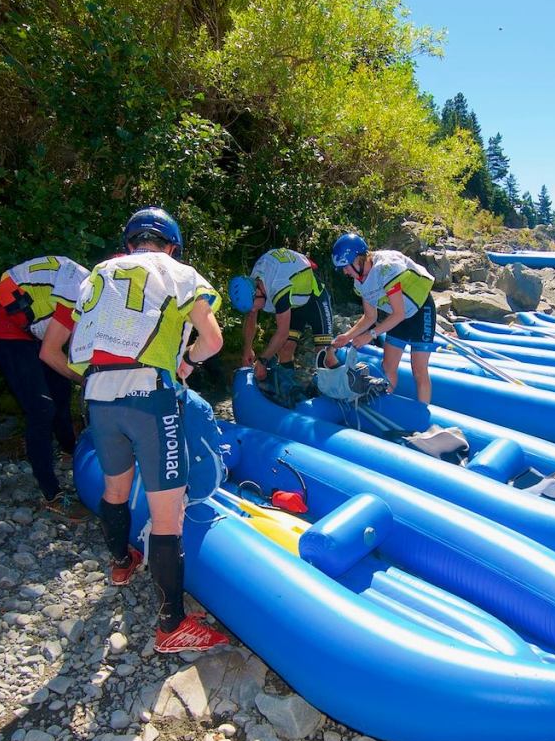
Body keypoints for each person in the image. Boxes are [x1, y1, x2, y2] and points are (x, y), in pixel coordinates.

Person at [68, 206, 229, 653]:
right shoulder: (178, 272)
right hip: (149, 397)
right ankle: (171, 624)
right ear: (171, 246)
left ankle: (121, 563)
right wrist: (188, 363)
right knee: (167, 515)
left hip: (98, 395)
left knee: (115, 489)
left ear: (128, 245)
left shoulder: (97, 274)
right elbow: (212, 340)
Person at [0, 255, 91, 521]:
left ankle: (69, 452)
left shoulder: (90, 287)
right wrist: (89, 381)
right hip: (6, 337)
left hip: (35, 334)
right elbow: (50, 354)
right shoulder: (77, 295)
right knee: (42, 408)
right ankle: (52, 496)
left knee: (62, 392)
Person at [328, 233, 438, 403]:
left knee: (418, 370)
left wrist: (370, 335)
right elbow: (370, 316)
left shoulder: (385, 269)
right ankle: (387, 404)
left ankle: (421, 415)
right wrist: (347, 336)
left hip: (421, 311)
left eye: (345, 266)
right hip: (398, 316)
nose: (344, 271)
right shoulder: (360, 281)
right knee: (388, 366)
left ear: (358, 259)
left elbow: (398, 314)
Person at [229, 248, 335, 380]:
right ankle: (288, 389)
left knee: (325, 357)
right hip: (293, 300)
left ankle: (344, 387)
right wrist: (247, 349)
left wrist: (263, 361)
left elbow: (282, 333)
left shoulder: (276, 286)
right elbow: (251, 317)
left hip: (314, 297)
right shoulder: (252, 281)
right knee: (285, 349)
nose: (253, 310)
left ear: (257, 292)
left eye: (253, 306)